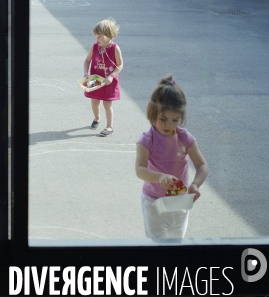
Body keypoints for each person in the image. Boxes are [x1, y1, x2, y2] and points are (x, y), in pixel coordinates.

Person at [135, 75, 209, 239]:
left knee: (176, 244)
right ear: (151, 112)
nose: (168, 125)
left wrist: (196, 184)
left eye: (175, 120)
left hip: (179, 202)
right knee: (156, 245)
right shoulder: (147, 139)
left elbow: (202, 165)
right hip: (153, 202)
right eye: (163, 119)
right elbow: (140, 169)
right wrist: (160, 177)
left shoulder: (184, 138)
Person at [82, 17, 123, 136]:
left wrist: (111, 76)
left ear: (108, 36)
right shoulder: (95, 46)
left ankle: (109, 127)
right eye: (96, 35)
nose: (97, 38)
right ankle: (97, 118)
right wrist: (85, 72)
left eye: (99, 36)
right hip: (95, 79)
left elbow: (120, 65)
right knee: (94, 101)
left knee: (107, 104)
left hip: (108, 81)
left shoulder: (115, 48)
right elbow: (87, 60)